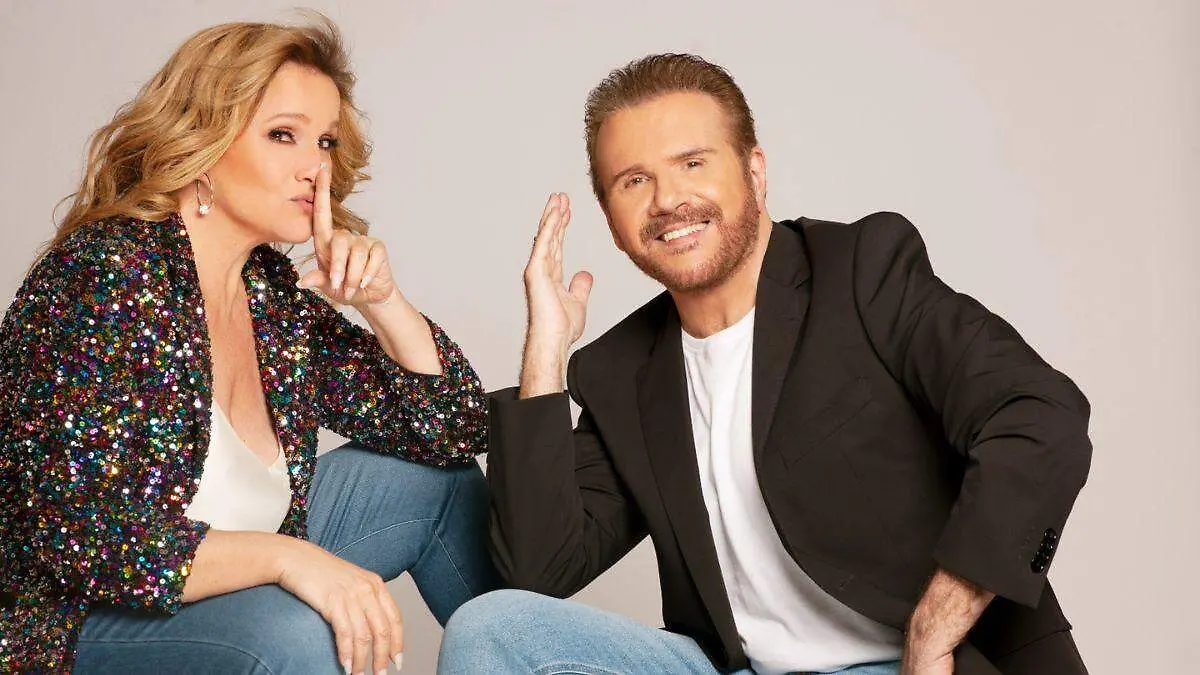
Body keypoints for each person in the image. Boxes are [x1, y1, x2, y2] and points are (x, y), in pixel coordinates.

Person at [439, 54, 1091, 674]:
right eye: (634, 181)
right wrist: (546, 353)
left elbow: (1041, 418)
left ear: (755, 171)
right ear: (611, 220)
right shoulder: (622, 370)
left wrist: (935, 626)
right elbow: (540, 571)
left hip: (906, 662)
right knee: (490, 627)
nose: (667, 199)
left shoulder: (861, 274)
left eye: (692, 162)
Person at [0, 16, 497, 674]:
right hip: (79, 621)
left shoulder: (270, 294)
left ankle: (521, 655)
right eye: (283, 135)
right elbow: (74, 536)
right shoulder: (99, 278)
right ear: (204, 140)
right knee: (292, 632)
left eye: (324, 141)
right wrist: (289, 559)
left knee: (436, 481)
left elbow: (454, 429)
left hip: (241, 579)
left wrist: (382, 301)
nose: (315, 168)